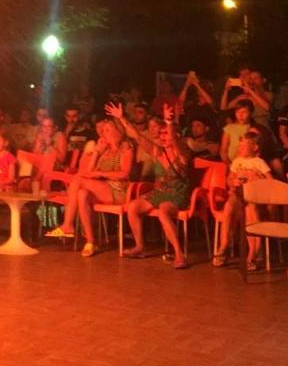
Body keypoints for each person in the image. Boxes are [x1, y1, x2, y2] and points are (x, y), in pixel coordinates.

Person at [112, 102, 191, 268]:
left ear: (175, 135)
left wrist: (169, 123)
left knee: (163, 211)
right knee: (133, 207)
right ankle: (140, 246)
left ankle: (179, 254)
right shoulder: (158, 152)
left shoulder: (182, 154)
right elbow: (138, 137)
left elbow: (176, 142)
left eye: (166, 133)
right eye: (161, 134)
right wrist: (122, 119)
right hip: (159, 192)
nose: (163, 136)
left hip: (177, 194)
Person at [44, 117, 134, 256]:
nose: (104, 133)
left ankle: (68, 224)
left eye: (108, 130)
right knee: (82, 194)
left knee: (78, 181)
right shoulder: (105, 150)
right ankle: (91, 242)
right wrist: (96, 152)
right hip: (102, 188)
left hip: (118, 190)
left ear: (118, 131)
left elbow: (125, 174)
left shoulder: (126, 147)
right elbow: (88, 171)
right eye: (103, 131)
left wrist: (100, 174)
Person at [212, 130, 272, 268]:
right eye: (240, 145)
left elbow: (270, 181)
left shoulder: (259, 162)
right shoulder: (237, 162)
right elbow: (229, 178)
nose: (240, 148)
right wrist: (233, 181)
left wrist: (257, 178)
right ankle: (224, 245)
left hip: (253, 197)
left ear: (255, 147)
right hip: (238, 195)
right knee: (229, 206)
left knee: (251, 211)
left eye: (244, 145)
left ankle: (253, 253)